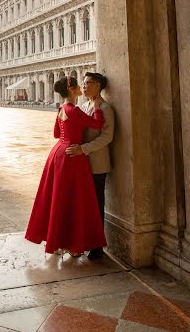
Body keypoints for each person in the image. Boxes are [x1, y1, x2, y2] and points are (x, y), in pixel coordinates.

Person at [25, 75, 107, 256]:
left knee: (59, 199)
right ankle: (72, 244)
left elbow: (56, 133)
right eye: (78, 85)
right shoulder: (75, 110)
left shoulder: (61, 108)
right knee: (73, 200)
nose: (81, 88)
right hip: (72, 156)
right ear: (71, 90)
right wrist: (97, 107)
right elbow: (98, 124)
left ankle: (59, 242)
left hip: (57, 153)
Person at [65, 72, 114, 259]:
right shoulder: (83, 106)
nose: (84, 87)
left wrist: (83, 149)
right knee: (83, 206)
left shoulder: (106, 108)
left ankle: (96, 246)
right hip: (81, 163)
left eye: (89, 83)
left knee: (96, 205)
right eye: (83, 84)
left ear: (99, 86)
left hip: (97, 164)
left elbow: (107, 137)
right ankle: (82, 241)